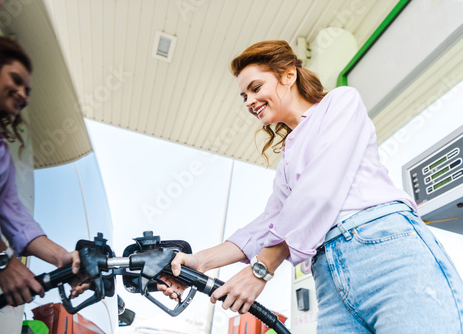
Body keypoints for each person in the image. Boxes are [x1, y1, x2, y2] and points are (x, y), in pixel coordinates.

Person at [163, 40, 463, 332]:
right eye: (244, 96)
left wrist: (261, 269)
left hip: (383, 249)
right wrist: (197, 262)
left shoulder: (341, 102)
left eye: (255, 88)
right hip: (327, 274)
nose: (250, 102)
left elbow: (321, 187)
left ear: (289, 75)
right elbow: (265, 226)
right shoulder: (287, 161)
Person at [0, 36, 85, 307]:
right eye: (16, 80)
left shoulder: (0, 154)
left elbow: (15, 216)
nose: (22, 94)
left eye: (27, 90)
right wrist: (1, 258)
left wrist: (62, 257)